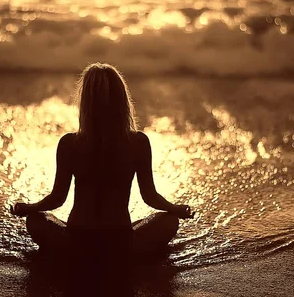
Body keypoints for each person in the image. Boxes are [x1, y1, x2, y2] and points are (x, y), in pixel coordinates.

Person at [10, 63, 193, 291]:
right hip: (121, 244)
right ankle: (126, 261)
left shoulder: (70, 143)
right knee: (168, 220)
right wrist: (176, 209)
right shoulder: (137, 142)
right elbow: (150, 196)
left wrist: (29, 208)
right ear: (122, 101)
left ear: (85, 102)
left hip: (76, 244)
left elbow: (57, 198)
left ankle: (72, 260)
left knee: (36, 220)